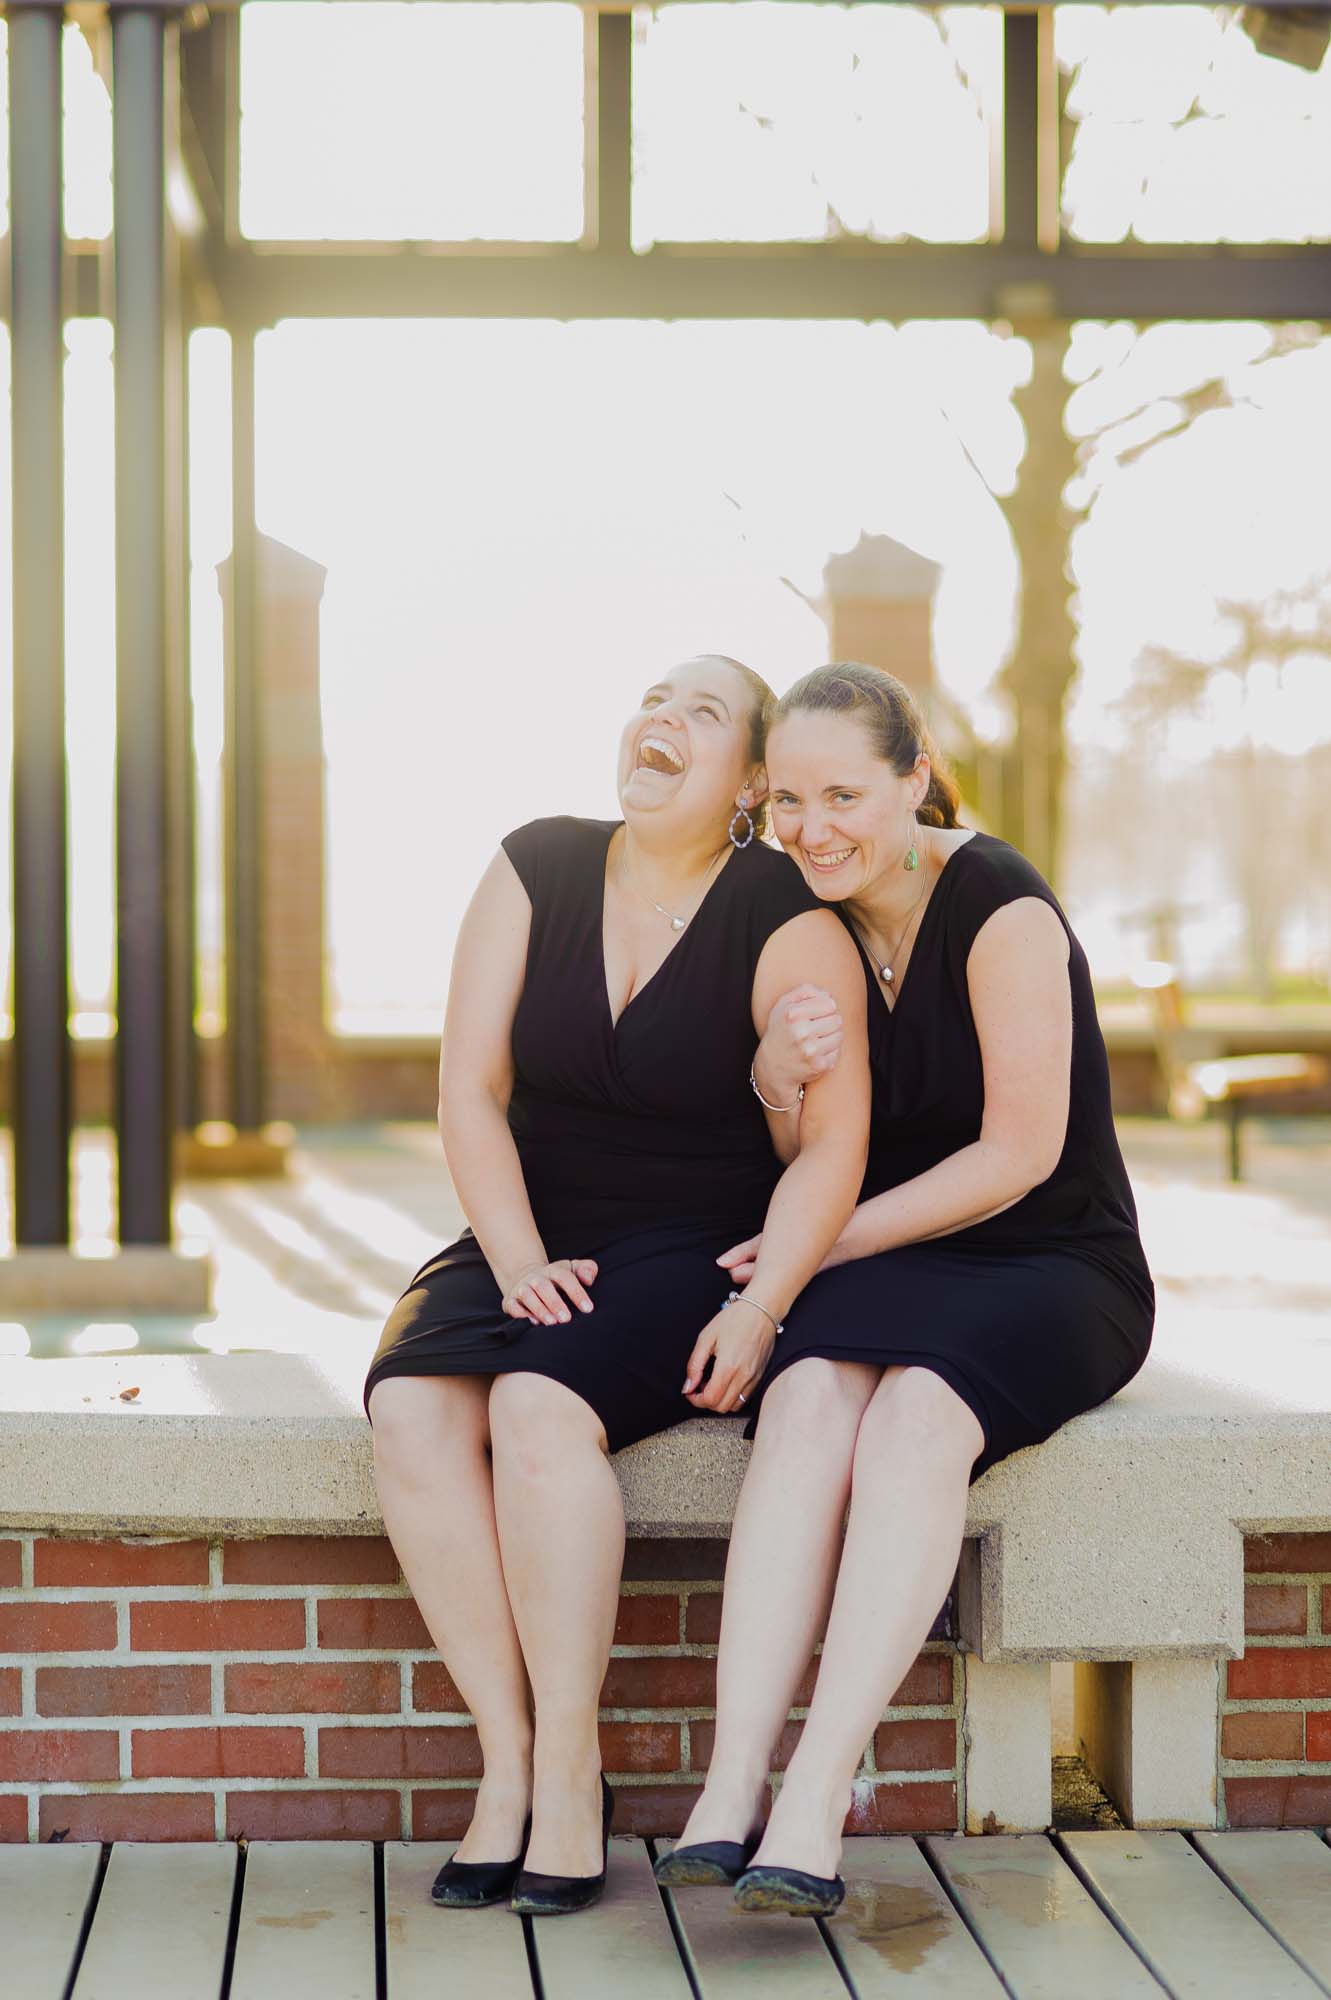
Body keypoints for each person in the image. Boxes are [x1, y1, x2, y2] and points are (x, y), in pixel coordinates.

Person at [366, 655, 869, 1917]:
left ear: (749, 779)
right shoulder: (533, 862)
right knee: (412, 1407)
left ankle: (574, 1772)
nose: (663, 717)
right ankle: (508, 1759)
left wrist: (758, 1303)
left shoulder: (782, 911)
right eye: (655, 695)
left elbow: (832, 1149)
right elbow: (467, 1091)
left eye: (702, 711)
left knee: (536, 1407)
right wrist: (518, 1251)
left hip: (685, 1243)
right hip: (523, 1225)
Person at [658, 662, 1154, 1917]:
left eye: (843, 794)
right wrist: (776, 1075)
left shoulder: (997, 901)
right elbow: (809, 1150)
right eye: (785, 803)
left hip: (1050, 1256)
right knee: (812, 1392)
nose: (813, 828)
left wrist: (810, 1249)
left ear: (913, 777)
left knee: (915, 1416)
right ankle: (726, 1792)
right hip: (895, 1249)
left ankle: (817, 1795)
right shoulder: (801, 912)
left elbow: (1018, 1151)